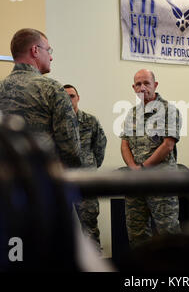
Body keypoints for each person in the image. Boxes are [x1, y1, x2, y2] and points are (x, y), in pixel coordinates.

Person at [0, 28, 81, 168]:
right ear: (35, 50)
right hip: (42, 182)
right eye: (48, 51)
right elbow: (71, 152)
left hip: (3, 184)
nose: (51, 57)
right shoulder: (52, 90)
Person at [120, 69, 182, 249]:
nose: (142, 87)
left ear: (155, 85)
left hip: (161, 181)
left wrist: (143, 169)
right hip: (136, 182)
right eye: (138, 84)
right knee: (136, 233)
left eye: (146, 83)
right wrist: (133, 168)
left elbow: (167, 145)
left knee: (168, 233)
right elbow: (124, 144)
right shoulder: (131, 113)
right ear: (133, 88)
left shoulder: (169, 110)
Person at [64, 84, 107, 249]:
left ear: (78, 98)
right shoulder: (56, 122)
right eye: (65, 96)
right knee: (61, 227)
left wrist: (91, 166)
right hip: (64, 181)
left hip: (86, 182)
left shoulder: (90, 121)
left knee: (90, 228)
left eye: (72, 96)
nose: (69, 99)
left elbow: (100, 147)